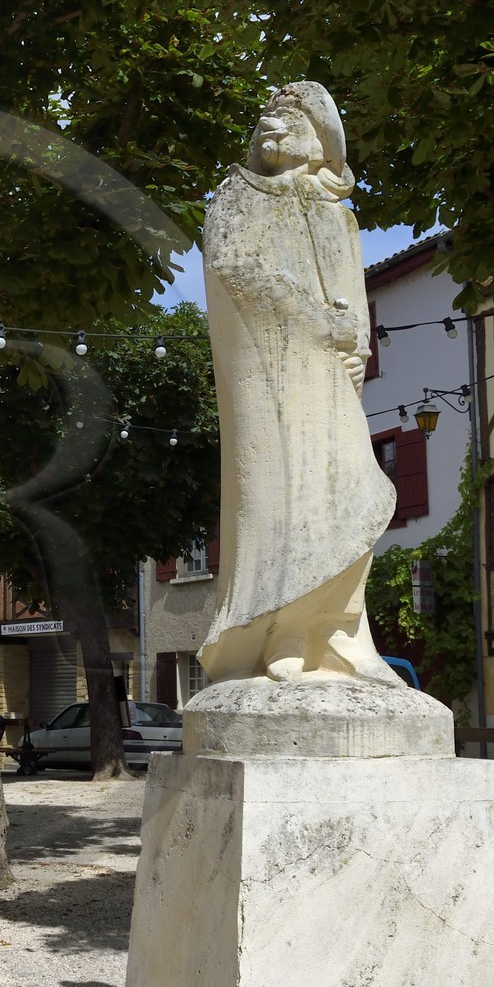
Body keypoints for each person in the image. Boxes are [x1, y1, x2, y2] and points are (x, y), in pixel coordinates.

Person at [198, 80, 401, 689]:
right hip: (273, 380)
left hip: (330, 382)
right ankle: (282, 634)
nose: (274, 125)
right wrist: (315, 320)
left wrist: (356, 344)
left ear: (321, 143)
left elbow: (352, 294)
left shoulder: (337, 215)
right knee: (279, 502)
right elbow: (234, 272)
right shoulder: (238, 200)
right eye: (269, 116)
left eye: (290, 117)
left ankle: (343, 636)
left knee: (348, 495)